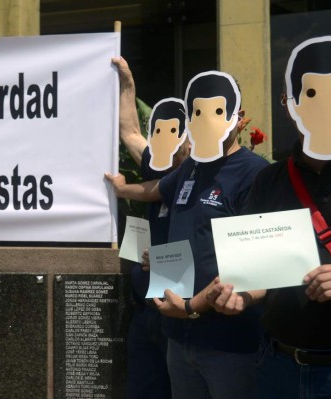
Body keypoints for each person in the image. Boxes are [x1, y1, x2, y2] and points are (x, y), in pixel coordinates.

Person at [207, 35, 331, 398]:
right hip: (278, 367)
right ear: (289, 103)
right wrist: (240, 295)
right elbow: (258, 272)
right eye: (310, 95)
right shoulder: (271, 179)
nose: (323, 107)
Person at [106, 70, 269, 399]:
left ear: (239, 119)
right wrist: (124, 189)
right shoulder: (191, 168)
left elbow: (256, 265)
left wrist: (192, 307)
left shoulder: (255, 173)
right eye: (197, 112)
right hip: (179, 341)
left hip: (229, 347)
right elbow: (157, 189)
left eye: (217, 112)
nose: (205, 121)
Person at [112, 56, 188, 399]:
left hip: (182, 313)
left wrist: (122, 189)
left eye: (173, 133)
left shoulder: (196, 173)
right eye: (158, 131)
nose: (163, 139)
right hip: (146, 314)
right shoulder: (155, 160)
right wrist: (128, 85)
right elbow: (129, 130)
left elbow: (159, 189)